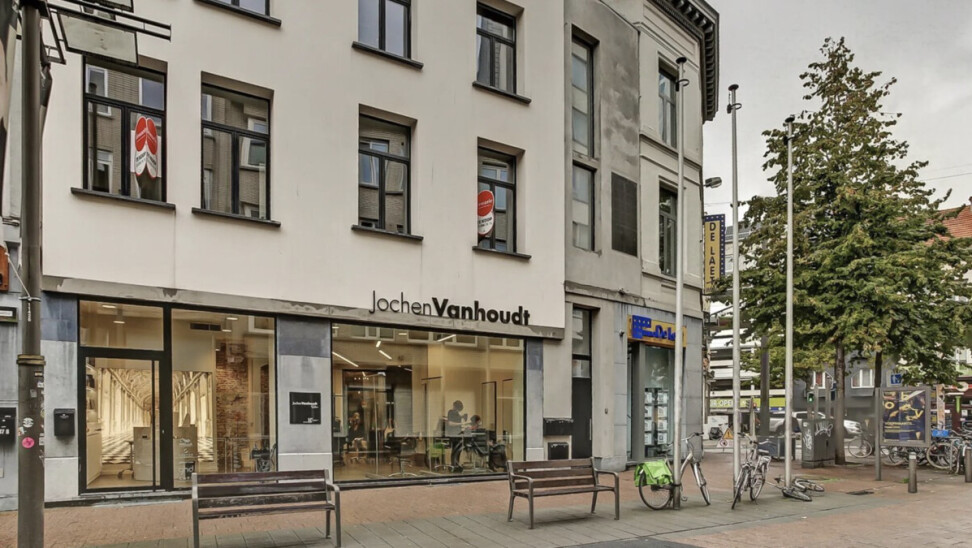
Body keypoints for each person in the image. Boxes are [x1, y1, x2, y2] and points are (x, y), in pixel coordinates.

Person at [446, 400, 467, 469]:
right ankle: (453, 465)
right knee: (455, 450)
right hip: (453, 433)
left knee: (458, 450)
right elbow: (450, 423)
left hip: (458, 433)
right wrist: (461, 423)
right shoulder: (451, 412)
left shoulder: (458, 413)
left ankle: (457, 464)